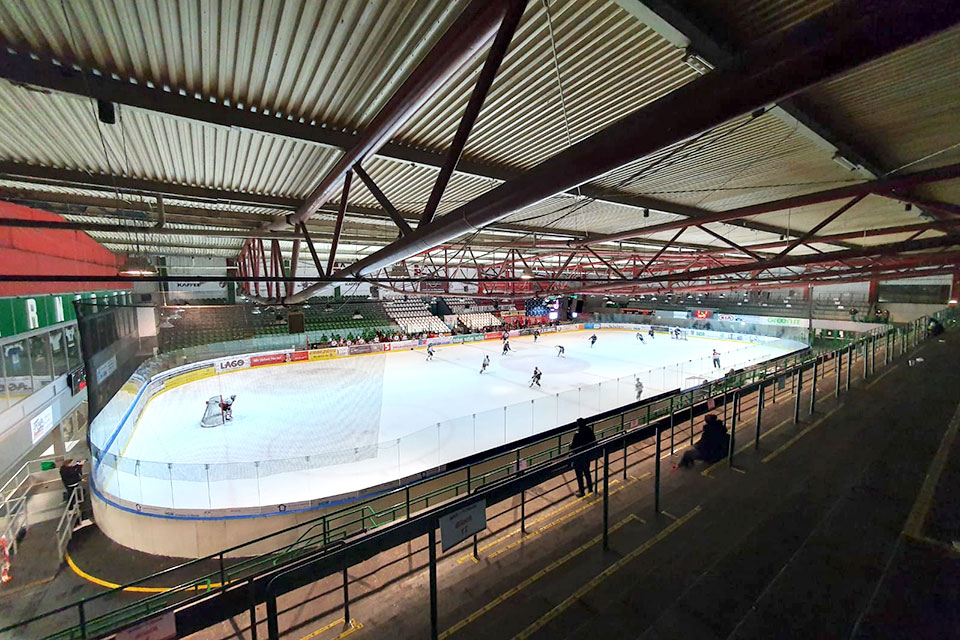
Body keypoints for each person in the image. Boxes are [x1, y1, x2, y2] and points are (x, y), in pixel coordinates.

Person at [569, 419, 596, 497]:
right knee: (587, 472)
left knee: (579, 474)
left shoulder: (577, 434)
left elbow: (572, 446)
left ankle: (582, 491)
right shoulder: (589, 430)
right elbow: (593, 440)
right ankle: (590, 488)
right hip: (587, 455)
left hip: (579, 457)